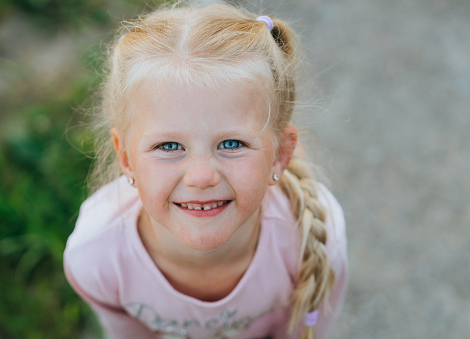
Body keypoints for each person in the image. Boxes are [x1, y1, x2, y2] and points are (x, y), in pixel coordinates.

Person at [64, 2, 348, 339]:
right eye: (169, 146)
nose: (201, 178)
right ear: (126, 157)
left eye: (231, 144)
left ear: (279, 155)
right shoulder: (96, 258)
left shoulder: (315, 240)